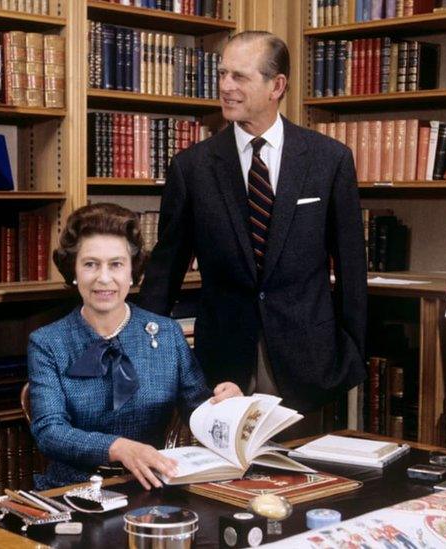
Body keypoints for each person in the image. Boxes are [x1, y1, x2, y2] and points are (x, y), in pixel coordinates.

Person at [138, 31, 367, 421]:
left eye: (239, 77)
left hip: (309, 365)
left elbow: (351, 269)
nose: (225, 86)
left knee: (305, 480)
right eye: (223, 74)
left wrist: (352, 354)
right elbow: (165, 272)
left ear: (277, 85)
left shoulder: (329, 160)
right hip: (222, 365)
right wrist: (144, 354)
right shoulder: (191, 167)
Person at [27, 203, 242, 490]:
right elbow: (49, 431)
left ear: (132, 271)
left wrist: (228, 407)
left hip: (152, 485)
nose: (104, 278)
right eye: (91, 264)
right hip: (72, 490)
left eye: (116, 264)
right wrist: (117, 448)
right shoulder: (47, 343)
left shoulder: (166, 333)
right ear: (74, 271)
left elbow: (199, 411)